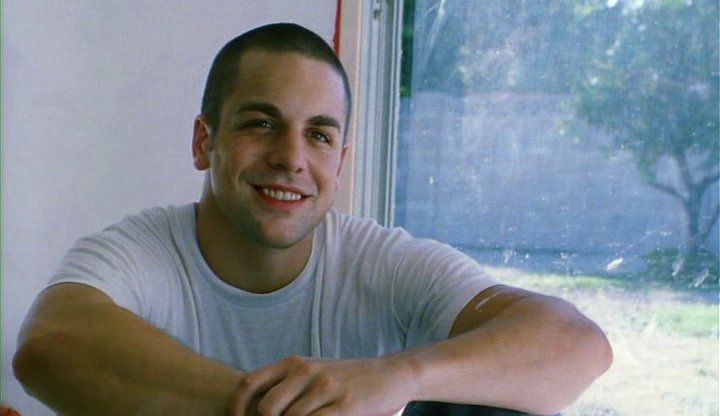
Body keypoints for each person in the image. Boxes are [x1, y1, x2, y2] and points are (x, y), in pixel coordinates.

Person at [13, 23, 612, 416]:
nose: (291, 158)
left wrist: (399, 376)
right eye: (261, 123)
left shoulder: (380, 261)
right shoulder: (142, 250)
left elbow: (577, 344)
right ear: (204, 141)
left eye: (319, 135)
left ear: (341, 162)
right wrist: (283, 407)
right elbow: (50, 342)